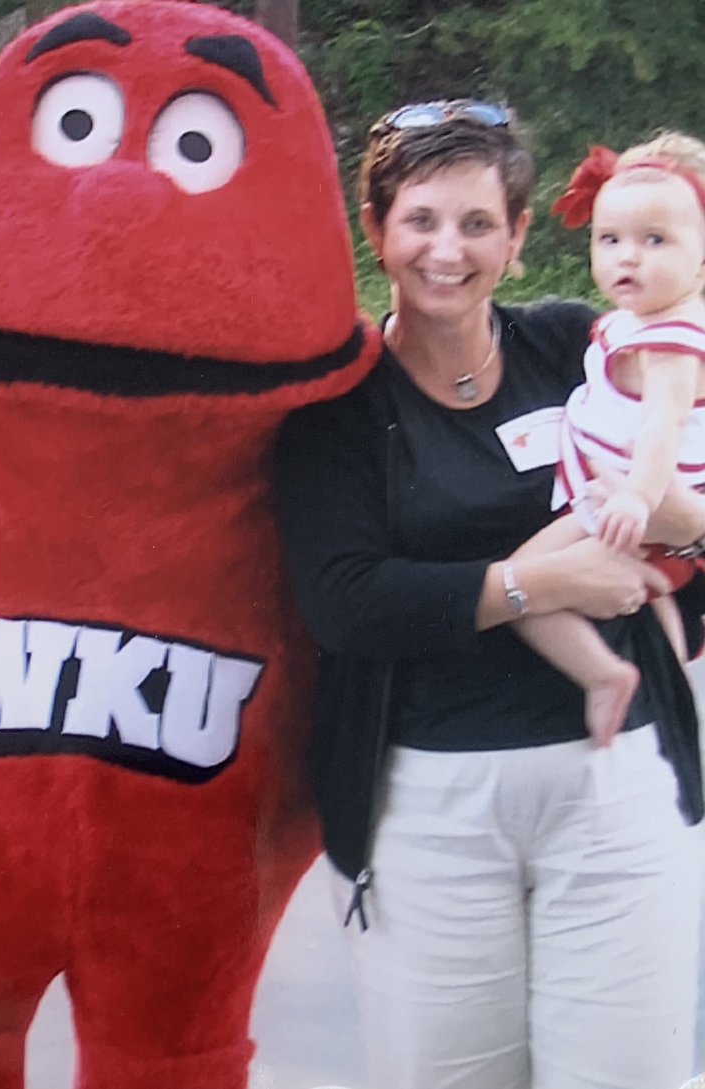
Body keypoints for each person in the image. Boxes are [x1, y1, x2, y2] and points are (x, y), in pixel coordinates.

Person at [274, 100, 705, 1089]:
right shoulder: (334, 411)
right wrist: (534, 582)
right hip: (429, 808)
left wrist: (679, 519)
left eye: (477, 224)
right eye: (420, 220)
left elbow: (685, 468)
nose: (446, 250)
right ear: (375, 230)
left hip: (619, 791)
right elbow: (346, 600)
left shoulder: (580, 347)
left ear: (517, 240)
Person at [502, 131, 705, 745]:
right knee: (652, 602)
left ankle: (602, 676)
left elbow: (662, 427)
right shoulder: (633, 323)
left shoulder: (670, 343)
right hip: (629, 502)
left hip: (625, 502)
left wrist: (636, 502)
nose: (628, 258)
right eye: (609, 239)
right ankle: (671, 705)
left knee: (517, 580)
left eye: (654, 240)